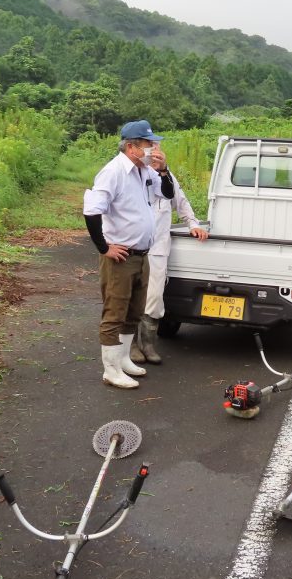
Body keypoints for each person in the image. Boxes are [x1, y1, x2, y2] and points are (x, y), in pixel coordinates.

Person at [83, 120, 174, 388]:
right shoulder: (113, 172)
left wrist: (164, 169)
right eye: (148, 144)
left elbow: (166, 193)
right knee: (115, 311)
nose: (152, 148)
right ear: (132, 147)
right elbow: (92, 211)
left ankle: (122, 360)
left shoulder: (143, 171)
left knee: (134, 311)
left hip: (141, 253)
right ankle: (110, 369)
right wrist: (104, 247)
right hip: (120, 257)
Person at [130, 146, 207, 365]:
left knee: (154, 298)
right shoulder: (134, 177)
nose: (154, 157)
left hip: (158, 248)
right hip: (134, 247)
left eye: (158, 154)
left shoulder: (167, 178)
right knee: (131, 297)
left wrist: (193, 224)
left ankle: (148, 344)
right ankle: (131, 345)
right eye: (150, 154)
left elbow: (181, 202)